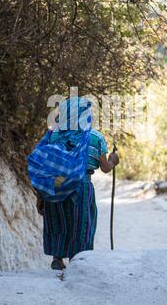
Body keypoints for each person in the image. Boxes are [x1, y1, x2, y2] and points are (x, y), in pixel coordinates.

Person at [35, 98, 119, 270]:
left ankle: (57, 258)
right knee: (81, 224)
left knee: (57, 220)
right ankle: (78, 260)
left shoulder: (53, 135)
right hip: (81, 186)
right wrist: (113, 160)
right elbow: (105, 168)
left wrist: (40, 196)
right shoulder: (95, 137)